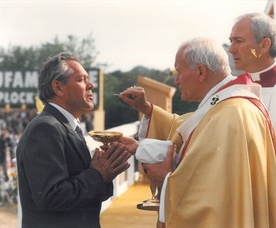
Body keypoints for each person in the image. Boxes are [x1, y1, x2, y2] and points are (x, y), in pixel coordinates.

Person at [120, 37, 276, 227]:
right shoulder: (230, 105)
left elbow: (209, 198)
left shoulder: (229, 115)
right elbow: (188, 128)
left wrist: (167, 181)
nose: (176, 80)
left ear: (201, 71)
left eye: (179, 71)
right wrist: (147, 111)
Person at [16, 52, 131, 228]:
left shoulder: (65, 127)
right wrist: (98, 174)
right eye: (81, 80)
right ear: (58, 88)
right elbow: (51, 197)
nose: (91, 85)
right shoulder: (45, 129)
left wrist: (106, 173)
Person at [229, 12, 276, 127]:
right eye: (231, 41)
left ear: (264, 45)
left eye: (238, 41)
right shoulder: (229, 89)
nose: (231, 49)